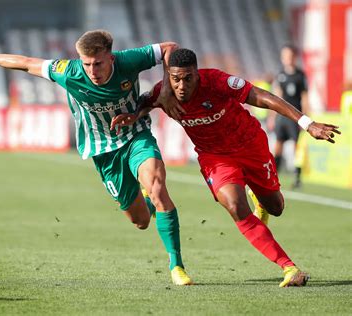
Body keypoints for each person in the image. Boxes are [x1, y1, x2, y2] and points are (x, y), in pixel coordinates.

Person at [0, 30, 193, 285]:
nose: (92, 70)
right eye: (87, 63)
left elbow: (170, 47)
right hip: (104, 152)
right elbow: (27, 63)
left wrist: (167, 89)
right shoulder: (69, 71)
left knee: (158, 188)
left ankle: (176, 265)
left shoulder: (130, 60)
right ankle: (145, 201)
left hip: (136, 136)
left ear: (110, 57)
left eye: (98, 63)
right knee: (141, 221)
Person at [111, 48, 340, 287]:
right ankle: (289, 267)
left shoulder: (217, 81)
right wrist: (134, 115)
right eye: (176, 79)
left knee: (276, 207)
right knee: (234, 205)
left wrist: (307, 123)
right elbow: (145, 102)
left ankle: (260, 198)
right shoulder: (163, 92)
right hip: (215, 158)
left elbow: (262, 96)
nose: (181, 85)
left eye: (188, 78)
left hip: (251, 146)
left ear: (197, 74)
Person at [268, 44, 309, 189]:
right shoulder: (280, 75)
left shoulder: (300, 75)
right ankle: (274, 176)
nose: (287, 58)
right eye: (285, 55)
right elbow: (276, 97)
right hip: (281, 116)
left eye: (290, 55)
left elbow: (304, 97)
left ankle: (297, 178)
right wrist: (272, 117)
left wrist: (304, 119)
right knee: (277, 146)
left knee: (296, 147)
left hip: (295, 116)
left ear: (294, 57)